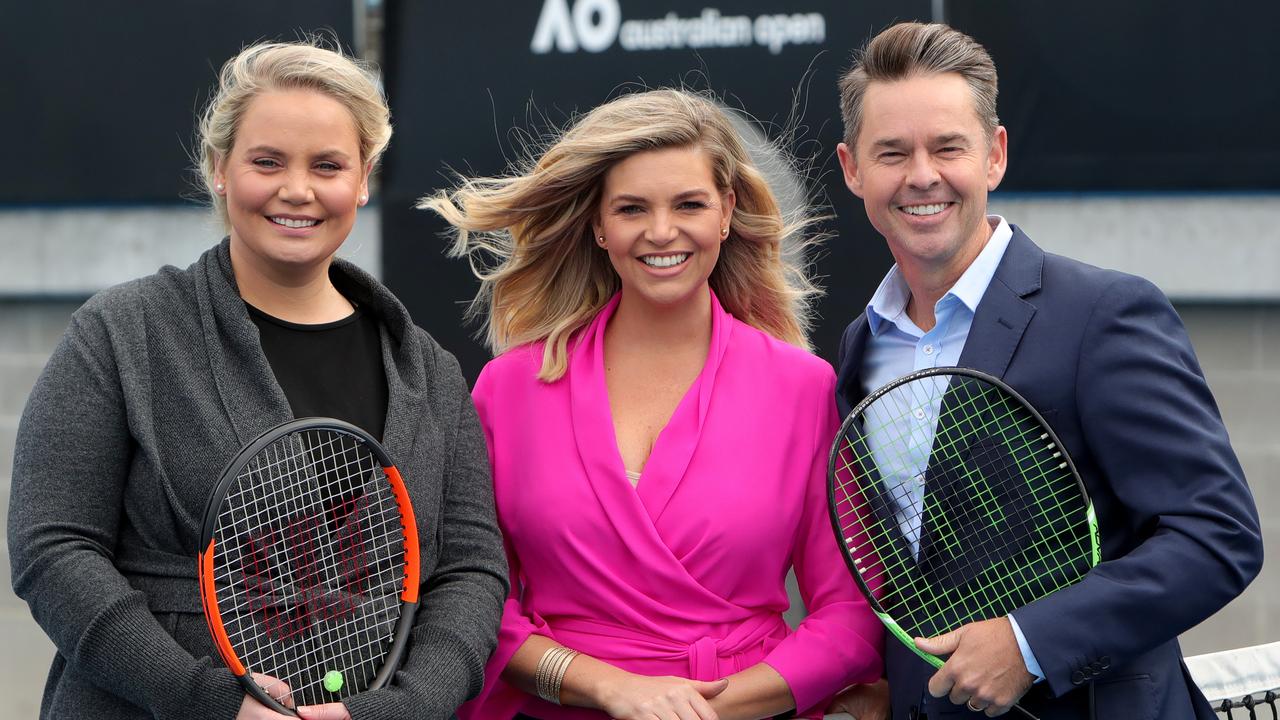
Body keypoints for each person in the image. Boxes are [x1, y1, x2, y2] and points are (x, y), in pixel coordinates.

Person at [7, 40, 507, 720]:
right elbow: (52, 549)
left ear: (362, 180)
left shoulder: (428, 371)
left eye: (327, 165)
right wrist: (205, 698)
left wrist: (407, 706)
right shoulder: (122, 331)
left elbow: (471, 571)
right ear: (219, 168)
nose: (296, 190)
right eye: (266, 161)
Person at [832, 21, 1264, 720]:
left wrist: (1030, 643)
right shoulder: (860, 348)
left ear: (995, 155)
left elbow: (1218, 537)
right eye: (893, 153)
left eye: (948, 147)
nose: (921, 175)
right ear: (853, 168)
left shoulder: (1104, 313)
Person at [421, 88, 885, 720]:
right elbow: (469, 596)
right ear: (598, 225)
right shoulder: (508, 389)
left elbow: (851, 617)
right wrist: (610, 689)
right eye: (632, 208)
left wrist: (708, 709)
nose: (661, 232)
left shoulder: (802, 387)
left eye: (688, 204)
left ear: (725, 212)